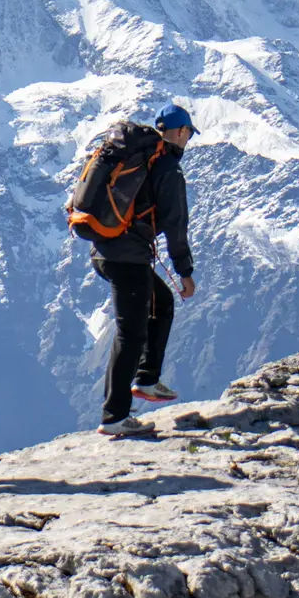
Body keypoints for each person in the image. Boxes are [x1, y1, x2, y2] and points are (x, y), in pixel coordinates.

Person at [82, 104, 198, 436]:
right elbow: (176, 226)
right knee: (130, 333)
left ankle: (147, 380)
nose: (188, 140)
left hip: (105, 252)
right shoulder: (166, 169)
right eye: (188, 133)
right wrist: (184, 272)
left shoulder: (137, 158)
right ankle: (114, 417)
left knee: (160, 303)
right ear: (179, 132)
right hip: (127, 258)